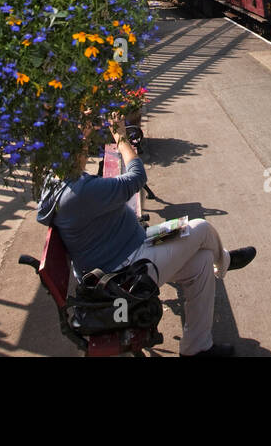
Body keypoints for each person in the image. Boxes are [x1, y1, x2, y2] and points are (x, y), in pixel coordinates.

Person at [37, 121, 256, 357]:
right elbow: (137, 176)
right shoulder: (81, 192)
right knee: (201, 228)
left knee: (201, 261)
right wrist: (121, 136)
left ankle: (197, 348)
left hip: (138, 245)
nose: (86, 148)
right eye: (82, 145)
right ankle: (224, 262)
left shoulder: (57, 181)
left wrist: (86, 127)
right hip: (126, 273)